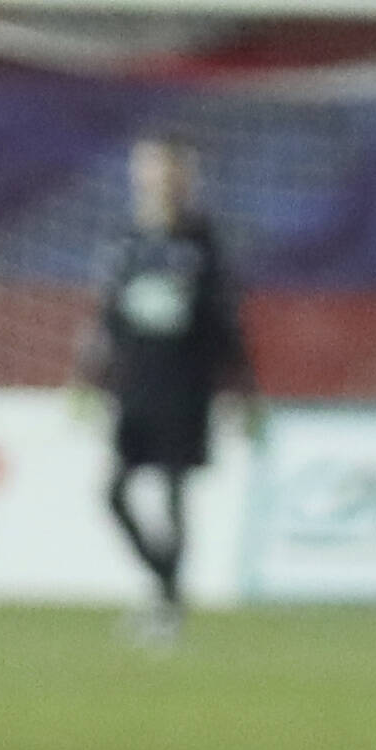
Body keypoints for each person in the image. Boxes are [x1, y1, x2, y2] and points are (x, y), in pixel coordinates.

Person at [74, 138, 255, 647]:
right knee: (115, 492)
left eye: (169, 168)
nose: (158, 177)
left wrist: (245, 392)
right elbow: (106, 319)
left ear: (185, 176)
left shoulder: (204, 241)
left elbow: (227, 322)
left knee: (174, 492)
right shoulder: (127, 241)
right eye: (150, 167)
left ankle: (166, 609)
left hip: (188, 383)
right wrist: (85, 381)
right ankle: (165, 587)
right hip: (134, 384)